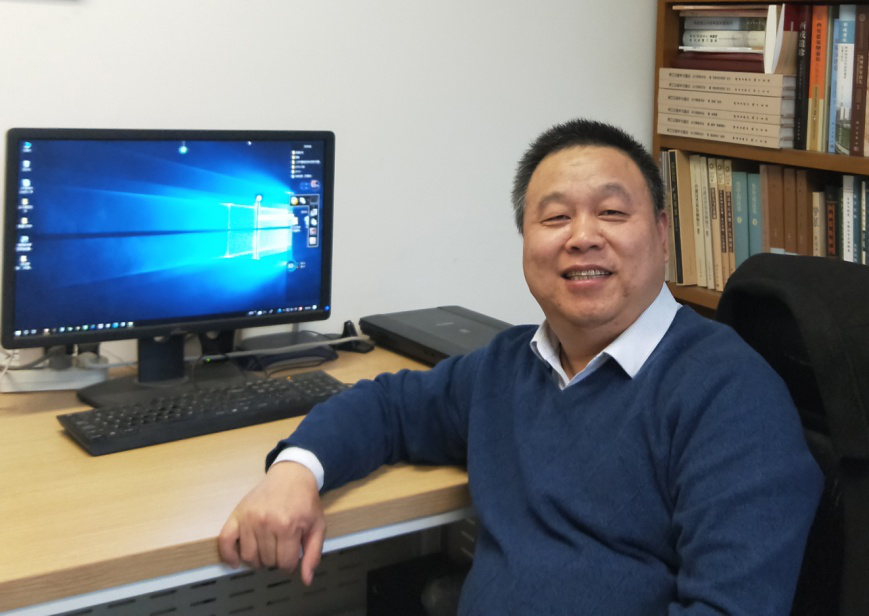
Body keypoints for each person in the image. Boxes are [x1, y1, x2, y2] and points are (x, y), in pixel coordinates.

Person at [219, 119, 823, 615]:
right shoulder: (509, 366)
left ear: (663, 234)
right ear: (526, 244)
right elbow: (390, 407)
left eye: (612, 213)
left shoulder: (732, 396)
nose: (582, 237)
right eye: (555, 218)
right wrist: (295, 472)